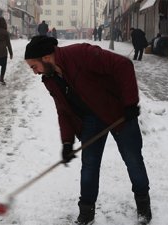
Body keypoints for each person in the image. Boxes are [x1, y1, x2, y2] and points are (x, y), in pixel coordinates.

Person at [24, 35, 151, 225]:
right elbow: (64, 111)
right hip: (91, 120)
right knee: (89, 166)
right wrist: (67, 142)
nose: (35, 72)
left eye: (34, 66)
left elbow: (123, 65)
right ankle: (86, 213)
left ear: (46, 57)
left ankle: (143, 206)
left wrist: (130, 103)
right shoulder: (50, 79)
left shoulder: (81, 54)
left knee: (133, 160)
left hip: (119, 113)